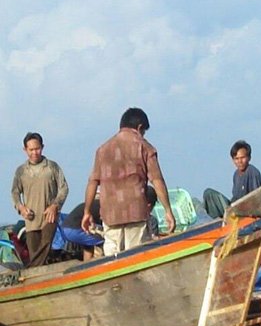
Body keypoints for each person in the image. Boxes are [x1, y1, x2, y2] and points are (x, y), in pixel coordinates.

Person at [81, 107, 176, 255]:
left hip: (110, 214)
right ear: (139, 128)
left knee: (111, 259)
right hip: (136, 212)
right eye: (143, 132)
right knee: (136, 256)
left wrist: (87, 212)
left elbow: (93, 182)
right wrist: (168, 211)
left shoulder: (102, 150)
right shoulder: (144, 147)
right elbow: (157, 180)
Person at [10, 132, 69, 267]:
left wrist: (55, 205)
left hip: (49, 216)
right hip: (31, 220)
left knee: (46, 244)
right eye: (31, 150)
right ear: (25, 150)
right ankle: (34, 275)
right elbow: (14, 192)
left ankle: (28, 271)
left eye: (37, 149)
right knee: (35, 253)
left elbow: (64, 188)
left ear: (42, 147)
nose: (34, 153)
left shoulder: (51, 167)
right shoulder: (21, 171)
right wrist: (21, 207)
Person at [202, 140, 261, 218]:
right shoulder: (236, 174)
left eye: (242, 158)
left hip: (244, 212)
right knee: (208, 193)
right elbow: (235, 197)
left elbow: (256, 197)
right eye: (236, 159)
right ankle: (222, 220)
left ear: (249, 158)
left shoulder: (252, 172)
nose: (240, 161)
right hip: (233, 208)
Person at [61, 195, 103, 261]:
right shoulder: (103, 206)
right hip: (74, 229)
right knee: (106, 241)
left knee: (88, 244)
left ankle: (87, 265)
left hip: (65, 229)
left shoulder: (92, 204)